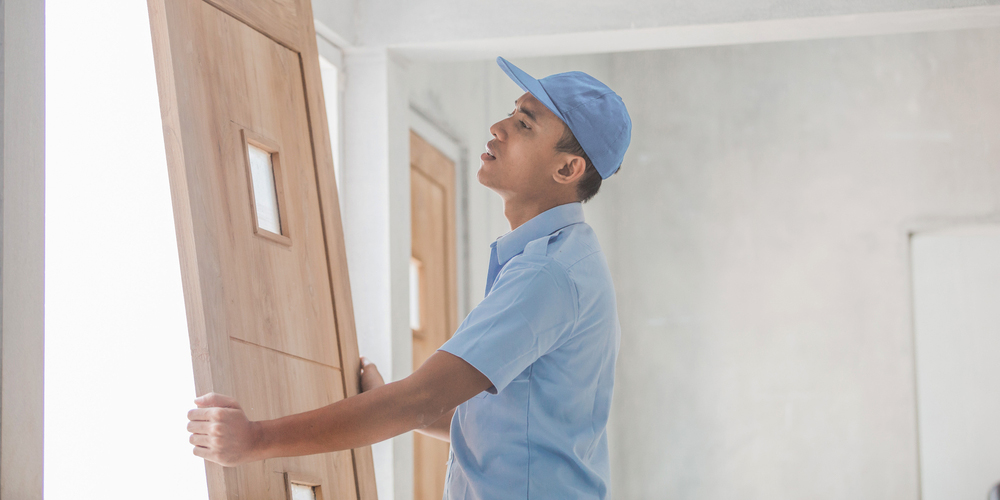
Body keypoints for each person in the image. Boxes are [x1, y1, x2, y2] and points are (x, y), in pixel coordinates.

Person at [187, 56, 631, 500]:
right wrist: (392, 400)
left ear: (568, 169)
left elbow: (422, 399)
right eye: (513, 112)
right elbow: (501, 427)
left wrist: (254, 440)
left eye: (525, 124)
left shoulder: (547, 273)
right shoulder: (561, 260)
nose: (499, 126)